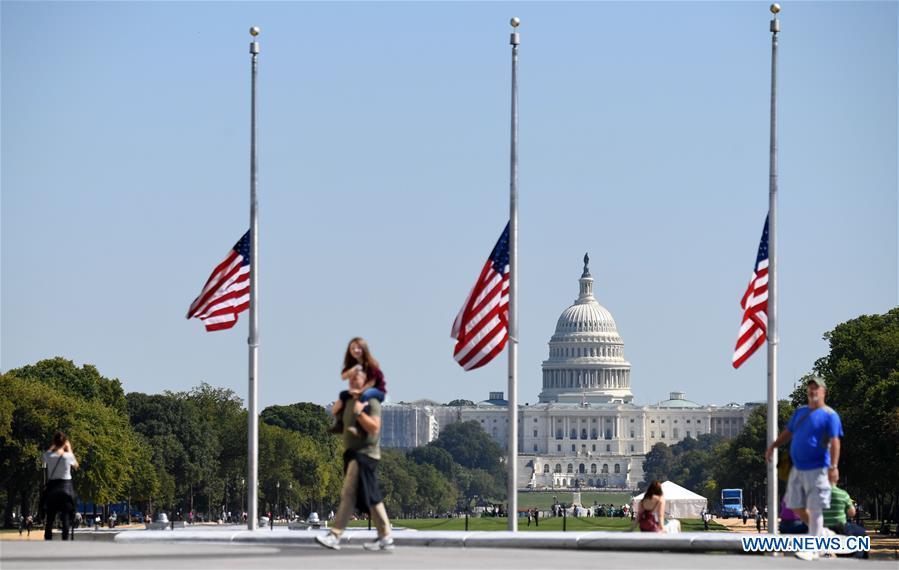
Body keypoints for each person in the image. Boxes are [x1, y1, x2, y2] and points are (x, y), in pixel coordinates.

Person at [766, 376, 843, 560]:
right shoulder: (800, 412)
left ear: (823, 392)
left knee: (815, 508)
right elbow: (788, 432)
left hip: (818, 467)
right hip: (798, 468)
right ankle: (822, 533)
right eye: (810, 388)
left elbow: (835, 442)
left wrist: (834, 467)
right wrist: (773, 446)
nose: (812, 391)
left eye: (816, 388)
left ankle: (813, 547)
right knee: (794, 504)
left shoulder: (830, 415)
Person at [316, 367, 394, 551]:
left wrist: (359, 413)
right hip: (353, 454)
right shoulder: (350, 399)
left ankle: (335, 535)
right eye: (350, 379)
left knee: (349, 494)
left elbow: (374, 428)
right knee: (369, 495)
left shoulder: (371, 402)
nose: (351, 381)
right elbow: (340, 418)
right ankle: (385, 536)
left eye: (356, 379)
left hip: (365, 454)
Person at [330, 338, 388, 435]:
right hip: (362, 389)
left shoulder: (370, 364)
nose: (355, 350)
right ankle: (339, 423)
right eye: (352, 348)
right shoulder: (352, 364)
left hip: (377, 390)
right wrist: (352, 371)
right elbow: (343, 376)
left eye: (358, 348)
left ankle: (358, 425)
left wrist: (360, 391)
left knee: (363, 396)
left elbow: (372, 383)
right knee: (343, 395)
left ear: (364, 349)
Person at [42, 431, 79, 540]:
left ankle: (47, 535)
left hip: (53, 487)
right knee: (66, 515)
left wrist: (53, 446)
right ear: (64, 443)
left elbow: (44, 457)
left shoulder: (49, 455)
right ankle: (65, 537)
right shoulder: (68, 456)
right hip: (66, 487)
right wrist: (69, 448)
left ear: (54, 442)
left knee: (50, 518)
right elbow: (76, 465)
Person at [823, 484, 868, 558]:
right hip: (840, 526)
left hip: (822, 526)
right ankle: (859, 559)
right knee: (862, 533)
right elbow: (852, 513)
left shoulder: (816, 494)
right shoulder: (842, 494)